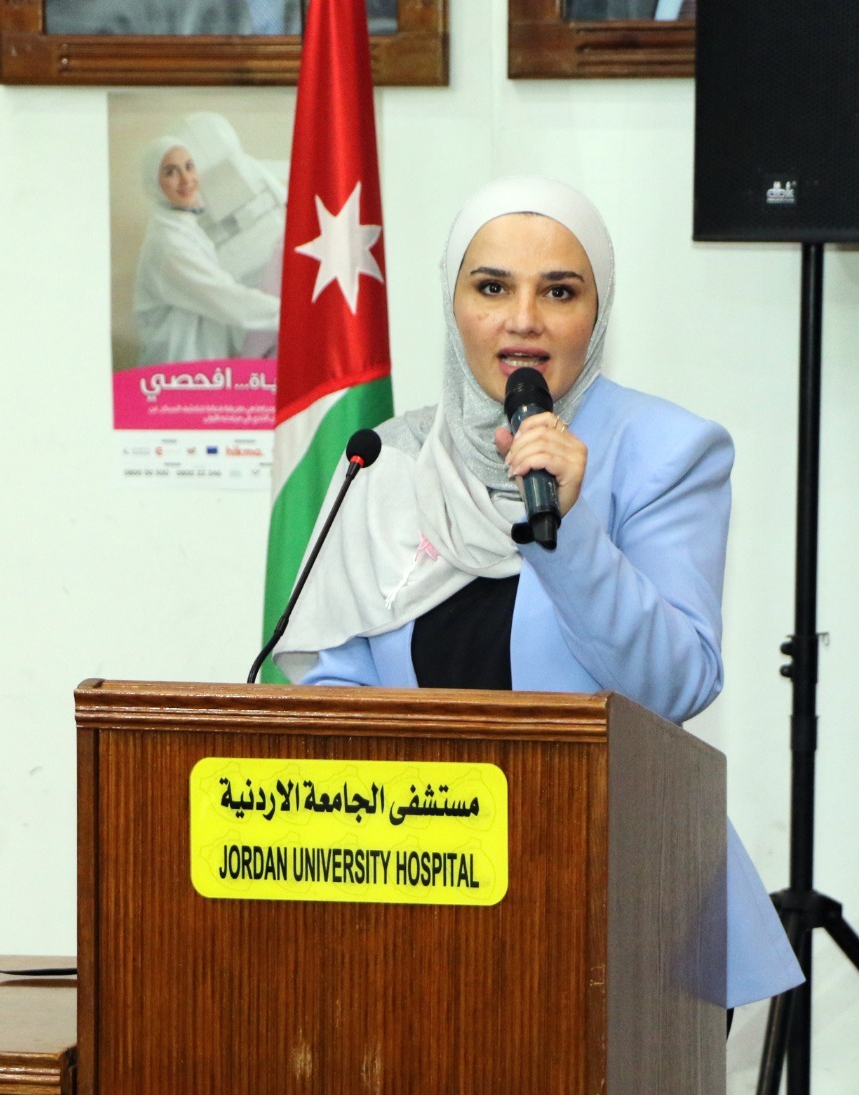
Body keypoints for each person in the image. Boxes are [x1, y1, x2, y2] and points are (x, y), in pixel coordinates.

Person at [273, 175, 803, 1010]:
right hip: (426, 907)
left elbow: (673, 685)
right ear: (453, 305)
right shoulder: (389, 460)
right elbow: (340, 683)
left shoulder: (666, 450)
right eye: (492, 288)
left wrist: (570, 524)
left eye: (559, 291)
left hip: (624, 912)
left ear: (597, 310)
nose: (523, 320)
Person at [133, 135, 281, 367]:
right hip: (176, 366)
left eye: (189, 167)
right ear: (154, 183)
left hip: (198, 366)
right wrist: (293, 315)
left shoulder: (183, 225)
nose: (186, 179)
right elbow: (224, 297)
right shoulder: (167, 244)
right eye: (171, 172)